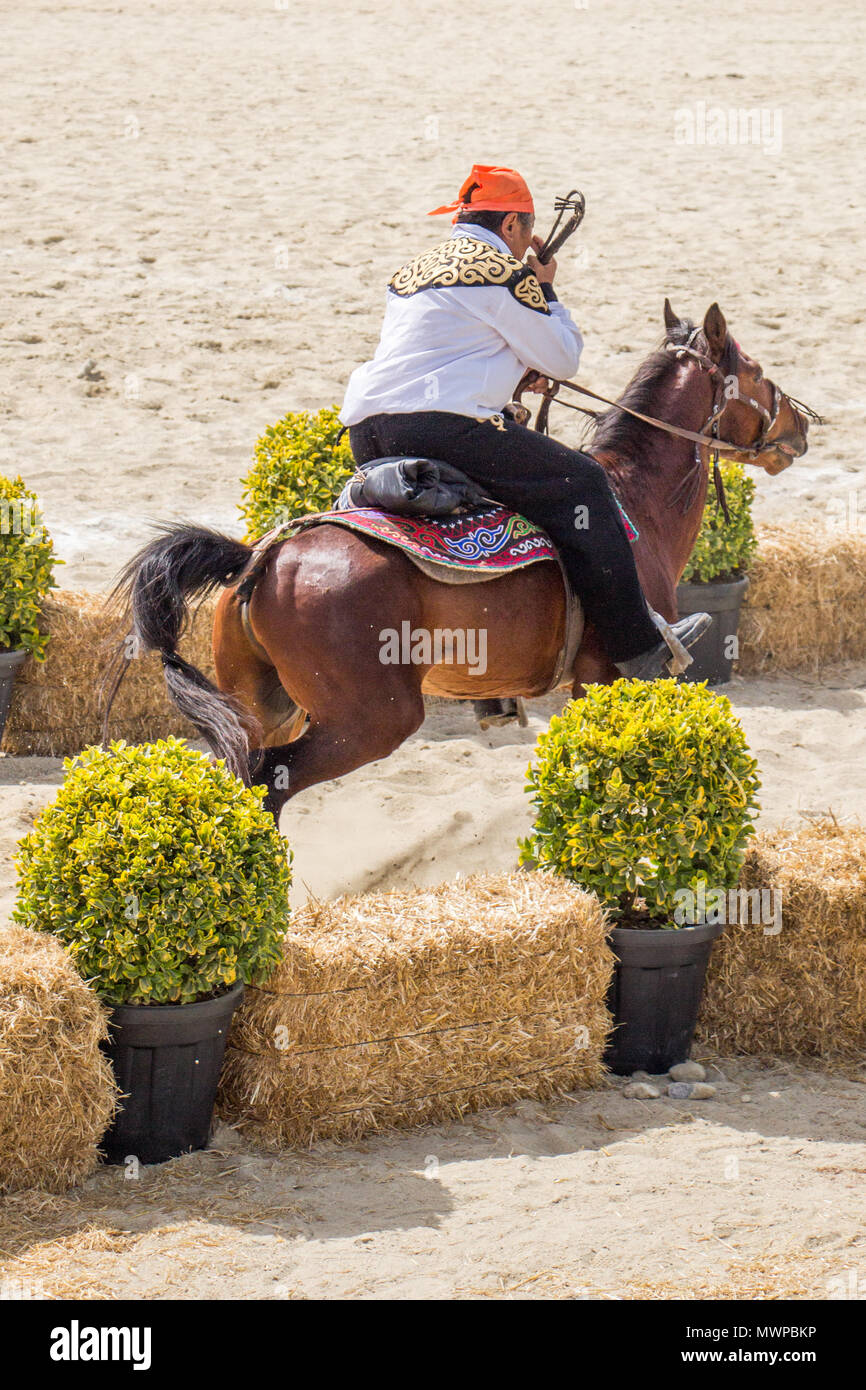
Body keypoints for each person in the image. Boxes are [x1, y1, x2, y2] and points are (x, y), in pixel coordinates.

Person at [340, 164, 709, 693]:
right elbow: (563, 358)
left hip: (368, 431)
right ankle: (640, 647)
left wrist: (509, 368)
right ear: (512, 225)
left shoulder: (412, 271)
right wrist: (546, 290)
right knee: (582, 482)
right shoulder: (502, 271)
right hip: (440, 429)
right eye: (523, 233)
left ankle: (492, 687)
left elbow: (448, 348)